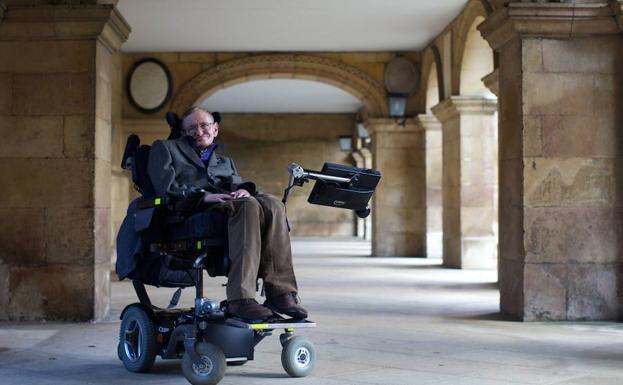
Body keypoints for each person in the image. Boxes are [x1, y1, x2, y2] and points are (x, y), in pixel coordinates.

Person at [147, 106, 307, 321]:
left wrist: (243, 190)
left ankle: (280, 293)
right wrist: (203, 197)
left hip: (228, 206)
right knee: (248, 206)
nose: (199, 131)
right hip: (189, 213)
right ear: (183, 132)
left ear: (215, 129)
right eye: (191, 127)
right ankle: (240, 299)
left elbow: (237, 185)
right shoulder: (165, 148)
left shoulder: (224, 161)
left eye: (204, 125)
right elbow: (165, 190)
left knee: (272, 203)